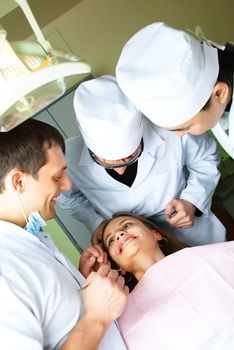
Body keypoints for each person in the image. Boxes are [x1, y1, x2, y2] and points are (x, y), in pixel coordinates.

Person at [0, 119, 129, 350]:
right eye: (57, 177)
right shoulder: (4, 273)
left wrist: (78, 283)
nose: (68, 185)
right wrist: (97, 318)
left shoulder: (31, 235)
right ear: (19, 181)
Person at [58, 74, 226, 246]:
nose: (121, 170)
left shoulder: (167, 124)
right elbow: (66, 197)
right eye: (107, 162)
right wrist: (96, 222)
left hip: (194, 234)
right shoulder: (66, 157)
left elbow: (205, 158)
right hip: (135, 248)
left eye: (130, 157)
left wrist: (192, 200)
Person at [90, 212, 234, 350]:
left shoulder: (208, 256)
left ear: (156, 234)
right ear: (119, 266)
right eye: (111, 240)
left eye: (126, 226)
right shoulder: (125, 319)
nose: (119, 235)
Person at [116, 22, 234, 159]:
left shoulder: (213, 105)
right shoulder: (216, 104)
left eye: (185, 127)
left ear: (220, 93)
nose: (179, 135)